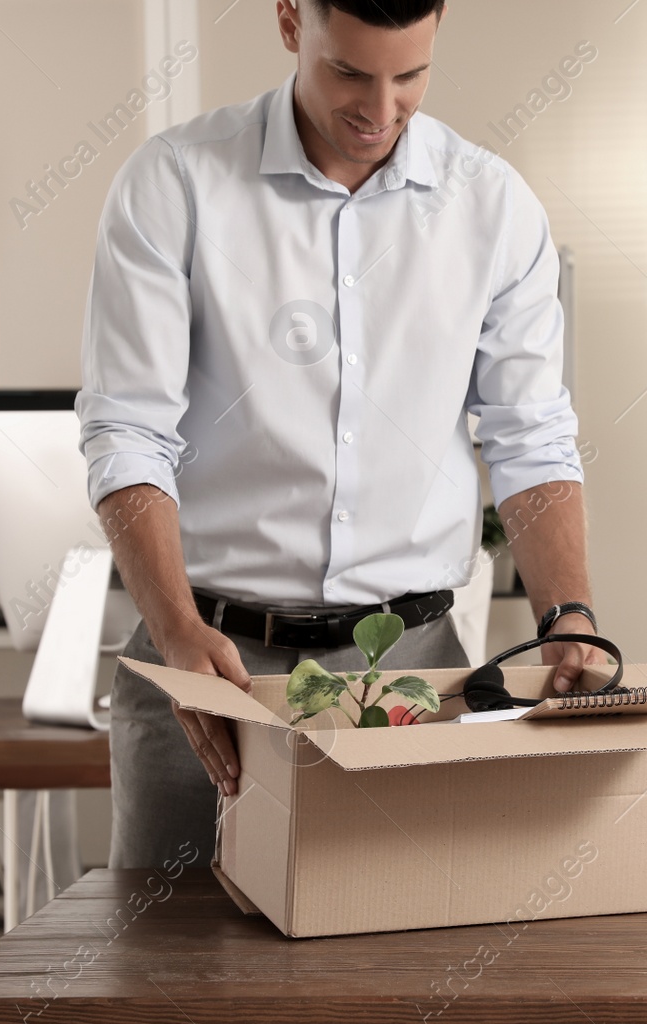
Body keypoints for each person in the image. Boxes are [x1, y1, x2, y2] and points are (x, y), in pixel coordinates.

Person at [80, 0, 599, 869]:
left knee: (409, 940)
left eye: (411, 75)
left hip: (416, 669)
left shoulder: (492, 205)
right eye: (350, 73)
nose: (381, 111)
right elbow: (127, 430)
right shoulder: (175, 184)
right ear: (291, 21)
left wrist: (567, 614)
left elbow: (531, 435)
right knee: (172, 950)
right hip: (209, 665)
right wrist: (172, 627)